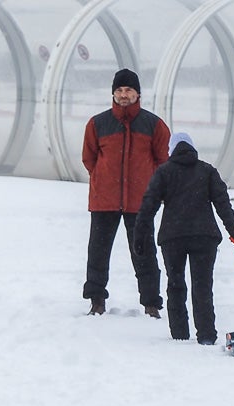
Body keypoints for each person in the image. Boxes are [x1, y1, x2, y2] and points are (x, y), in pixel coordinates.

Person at [133, 132, 234, 345]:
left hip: (173, 237)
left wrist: (140, 235)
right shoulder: (207, 171)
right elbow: (223, 203)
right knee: (203, 286)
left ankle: (180, 334)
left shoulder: (164, 172)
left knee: (175, 284)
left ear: (171, 150)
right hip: (205, 236)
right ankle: (207, 335)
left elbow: (148, 206)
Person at [81, 68, 170, 317]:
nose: (123, 95)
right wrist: (102, 177)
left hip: (141, 202)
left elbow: (163, 160)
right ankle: (96, 300)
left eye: (128, 90)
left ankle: (151, 303)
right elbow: (89, 158)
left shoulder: (154, 125)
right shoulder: (98, 123)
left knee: (144, 253)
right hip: (104, 200)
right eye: (119, 90)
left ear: (138, 93)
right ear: (113, 93)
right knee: (98, 252)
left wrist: (152, 186)